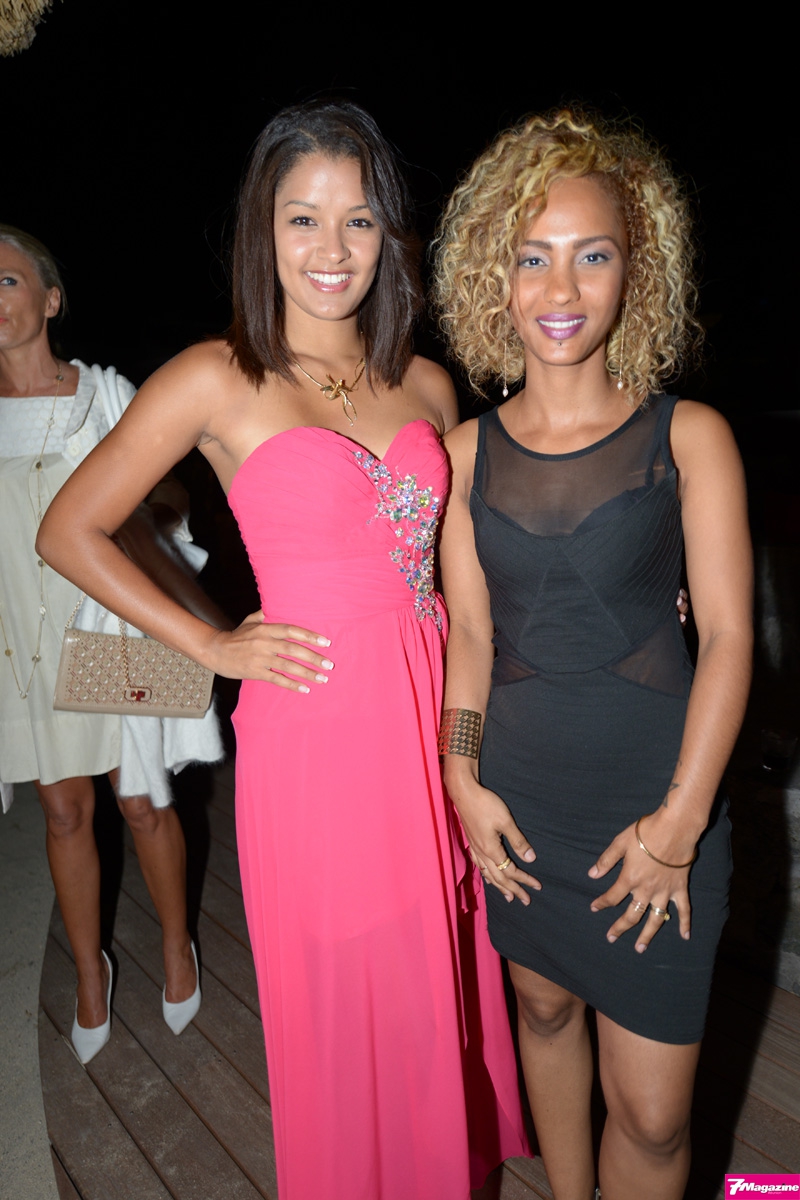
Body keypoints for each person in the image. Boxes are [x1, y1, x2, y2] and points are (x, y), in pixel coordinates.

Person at [37, 102, 529, 1198]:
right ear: (263, 230)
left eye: (357, 220)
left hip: (430, 720)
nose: (330, 248)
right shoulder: (216, 376)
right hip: (317, 735)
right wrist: (210, 644)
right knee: (349, 997)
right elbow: (70, 529)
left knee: (436, 986)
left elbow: (471, 574)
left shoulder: (427, 383)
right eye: (301, 219)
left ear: (388, 233)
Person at [433, 111, 752, 1200]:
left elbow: (728, 638)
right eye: (533, 257)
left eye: (592, 255)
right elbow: (470, 634)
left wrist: (678, 825)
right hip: (521, 804)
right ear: (496, 275)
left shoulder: (690, 437)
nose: (560, 288)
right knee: (541, 1011)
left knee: (656, 1121)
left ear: (634, 272)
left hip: (657, 809)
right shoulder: (462, 455)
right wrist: (459, 776)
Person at [0, 225, 223, 1063]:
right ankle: (90, 972)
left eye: (8, 280)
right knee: (64, 811)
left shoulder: (103, 396)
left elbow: (170, 489)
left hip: (111, 623)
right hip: (20, 634)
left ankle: (175, 944)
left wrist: (146, 518)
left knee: (140, 800)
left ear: (51, 299)